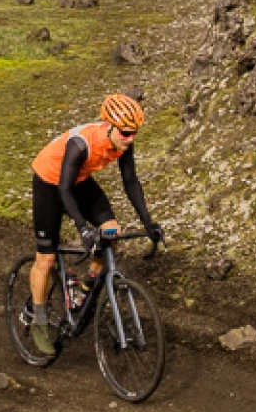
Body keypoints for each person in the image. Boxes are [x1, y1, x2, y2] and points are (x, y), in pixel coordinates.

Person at [27, 92, 162, 355]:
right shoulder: (81, 144)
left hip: (78, 181)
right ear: (108, 126)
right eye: (125, 132)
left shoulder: (123, 141)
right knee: (46, 258)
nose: (130, 138)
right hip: (50, 183)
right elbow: (63, 190)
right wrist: (83, 228)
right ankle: (39, 322)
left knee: (111, 231)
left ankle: (84, 290)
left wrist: (148, 222)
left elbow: (130, 181)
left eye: (134, 133)